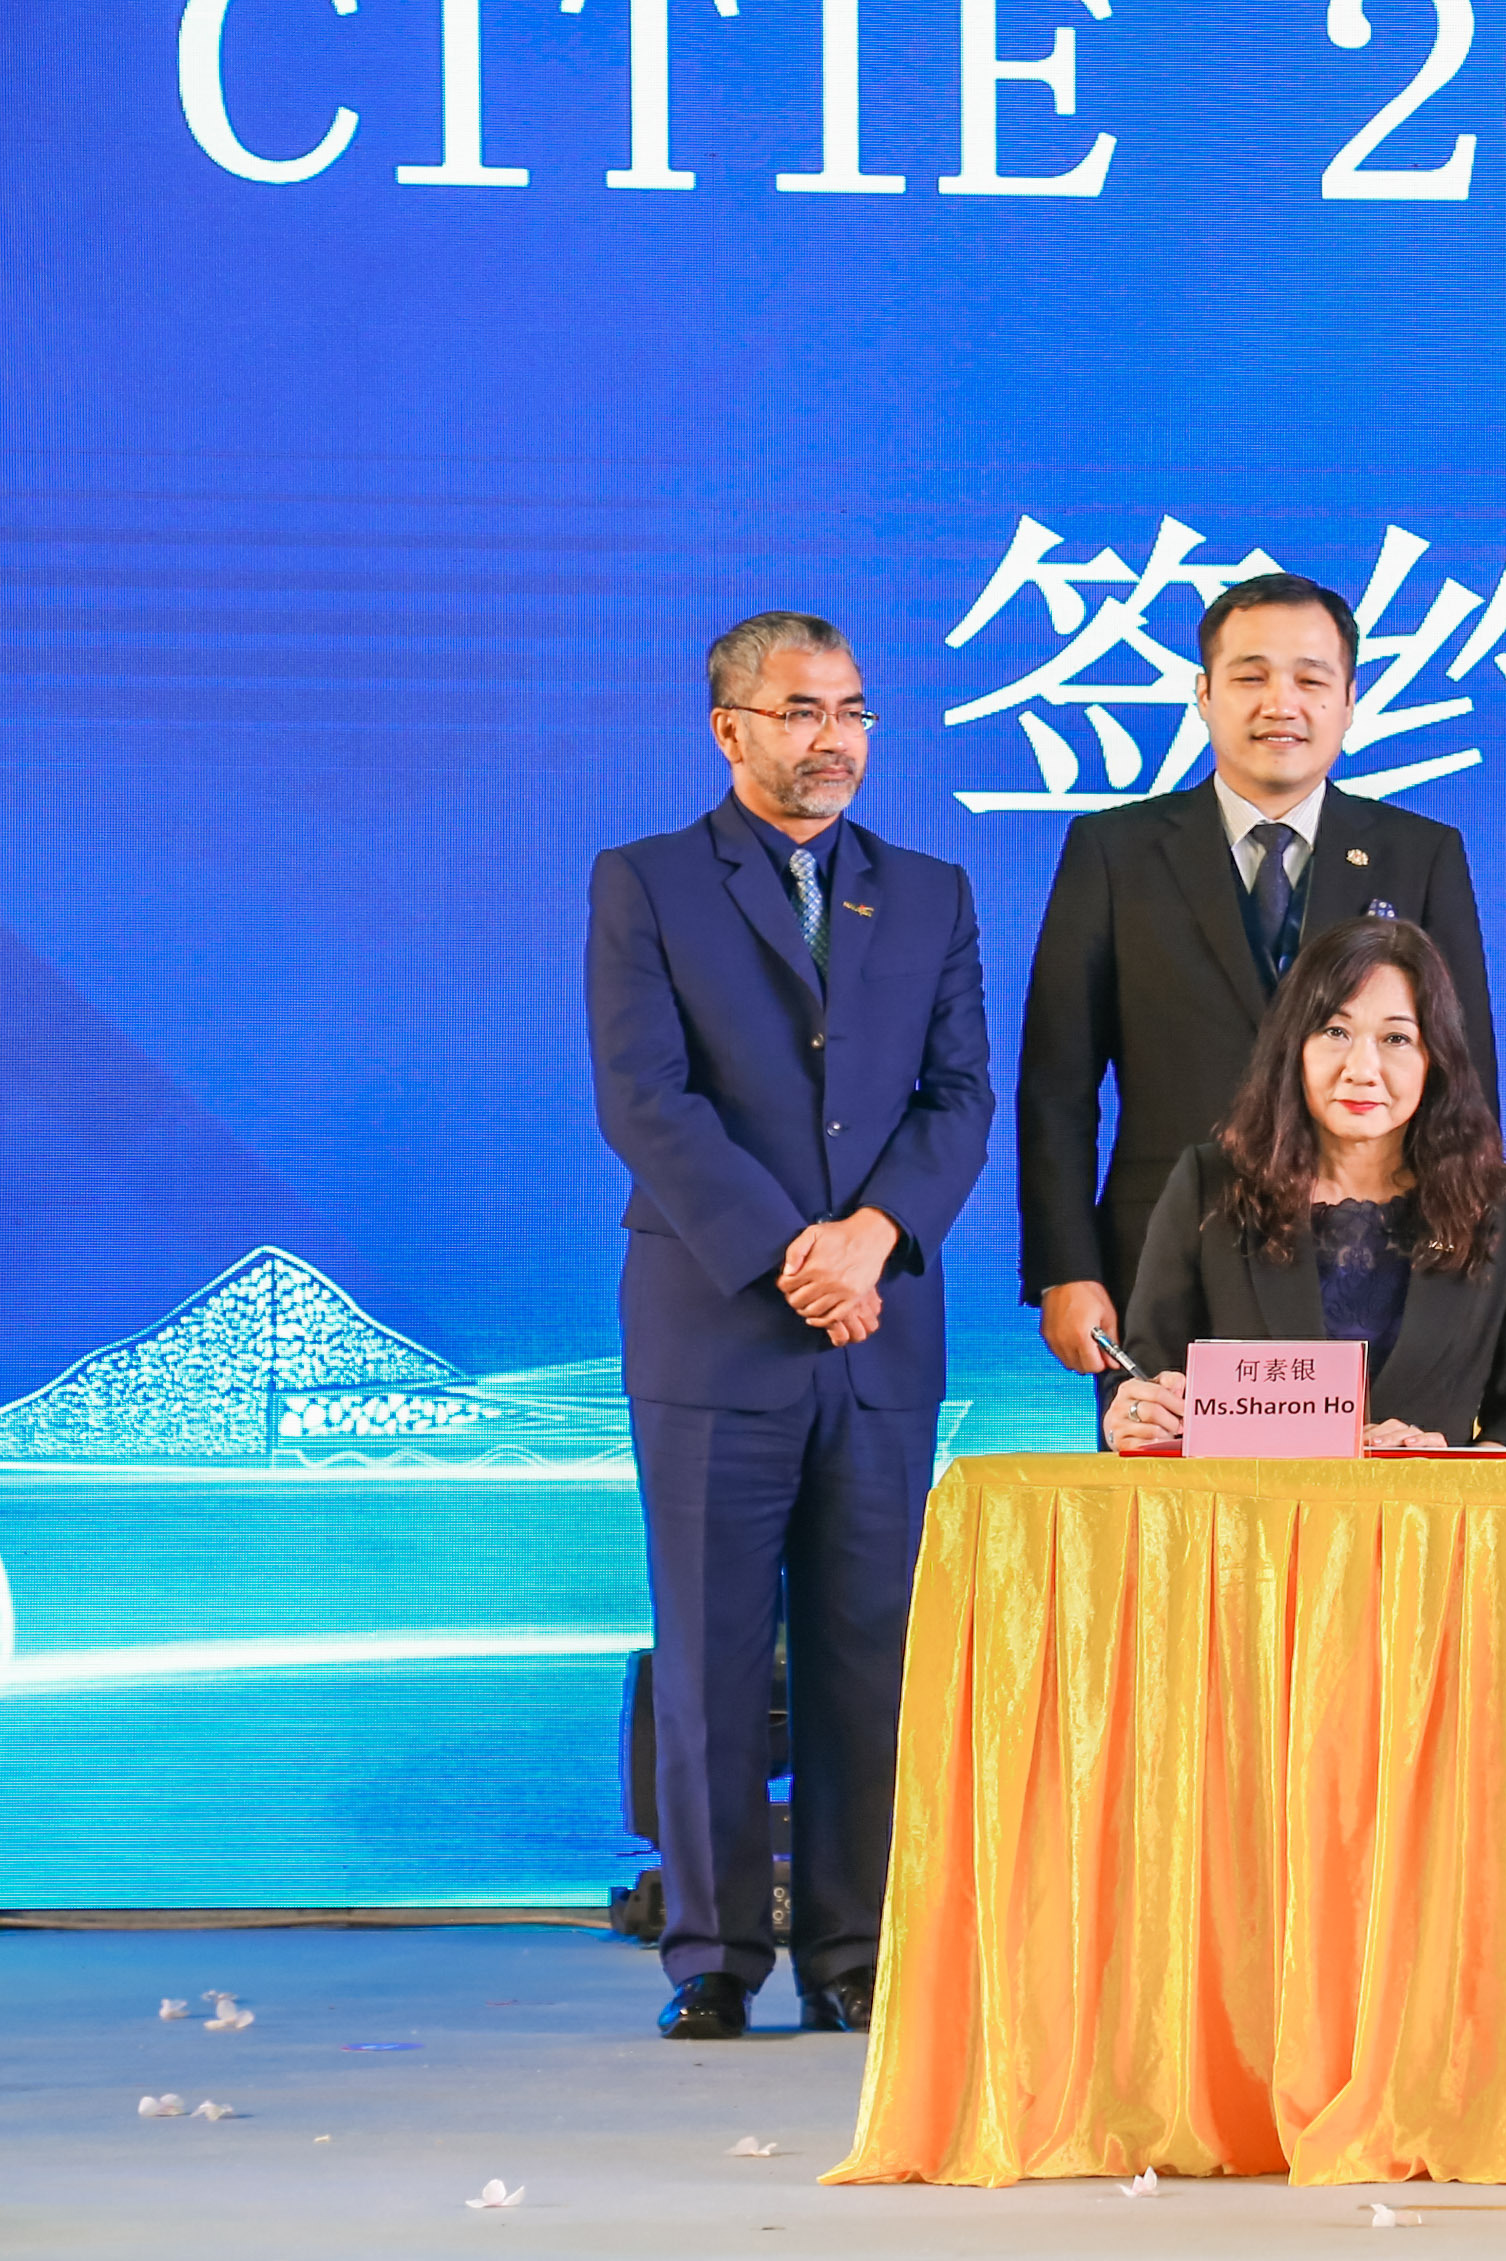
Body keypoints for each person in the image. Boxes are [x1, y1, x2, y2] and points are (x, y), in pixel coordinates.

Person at [586, 611, 992, 2040]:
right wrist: (789, 1255)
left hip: (880, 1328)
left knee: (867, 1654)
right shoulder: (645, 882)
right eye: (801, 710)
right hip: (715, 1323)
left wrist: (873, 1237)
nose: (834, 738)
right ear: (730, 729)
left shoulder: (929, 891)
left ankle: (853, 1948)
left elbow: (959, 1098)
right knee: (709, 1654)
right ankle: (712, 1953)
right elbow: (647, 1100)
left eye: (853, 711)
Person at [1018, 572, 1498, 1428]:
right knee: (1173, 1508)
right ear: (1204, 693)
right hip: (1166, 1265)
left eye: (1312, 679)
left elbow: (1464, 1081)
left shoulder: (1419, 854)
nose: (1282, 703)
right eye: (1251, 676)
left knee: (1371, 1509)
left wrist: (1466, 1268)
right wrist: (1065, 1267)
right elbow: (1057, 1084)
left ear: (1349, 701)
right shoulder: (1114, 851)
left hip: (1378, 1268)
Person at [1104, 918, 1506, 1451]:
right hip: (1250, 1502)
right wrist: (1134, 1413)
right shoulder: (1209, 1186)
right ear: (1294, 1047)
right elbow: (1145, 1379)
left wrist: (1448, 1468)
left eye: (1396, 1038)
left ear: (1436, 1059)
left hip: (1426, 1504)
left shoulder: (1502, 1204)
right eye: (1335, 1032)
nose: (1362, 1069)